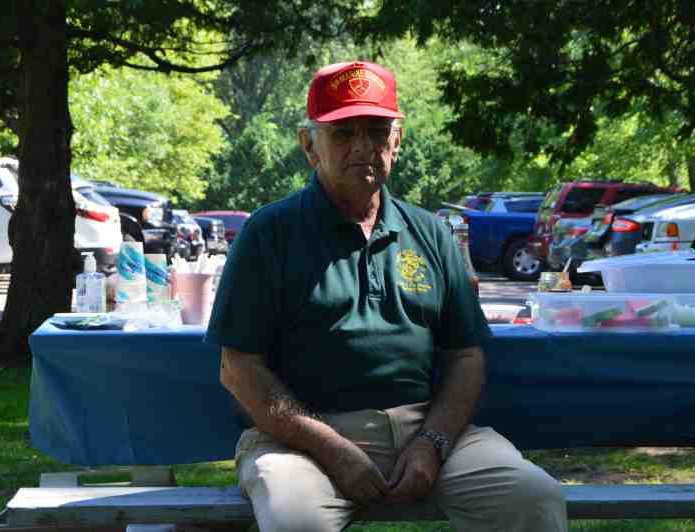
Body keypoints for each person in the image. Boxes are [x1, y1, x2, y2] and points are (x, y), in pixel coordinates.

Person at [206, 60, 567, 532]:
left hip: (428, 430)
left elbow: (466, 356)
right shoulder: (268, 234)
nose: (363, 147)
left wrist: (432, 443)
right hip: (300, 443)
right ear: (309, 145)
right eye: (343, 133)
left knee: (534, 499)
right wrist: (330, 447)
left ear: (397, 140)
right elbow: (238, 368)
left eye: (377, 132)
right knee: (297, 521)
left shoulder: (430, 233)